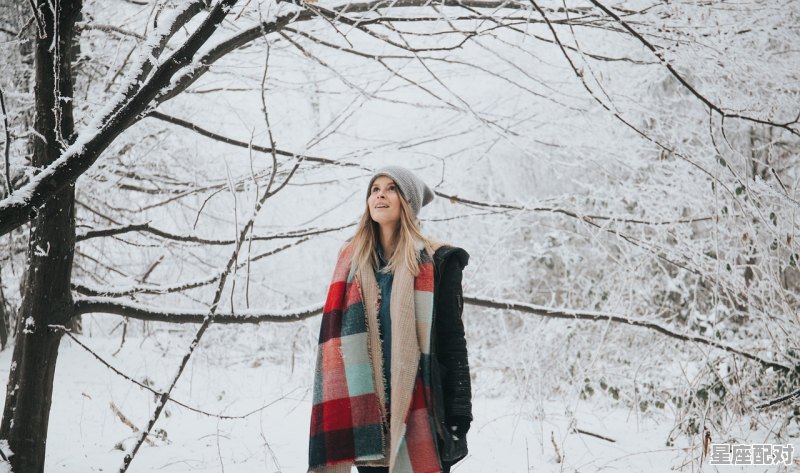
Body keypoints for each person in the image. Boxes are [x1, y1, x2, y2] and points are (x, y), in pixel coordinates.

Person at [308, 166, 472, 473]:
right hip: (365, 417)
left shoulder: (439, 261)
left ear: (408, 203)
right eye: (374, 189)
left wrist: (460, 412)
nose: (380, 194)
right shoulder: (350, 262)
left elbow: (452, 340)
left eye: (392, 188)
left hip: (422, 413)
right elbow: (332, 346)